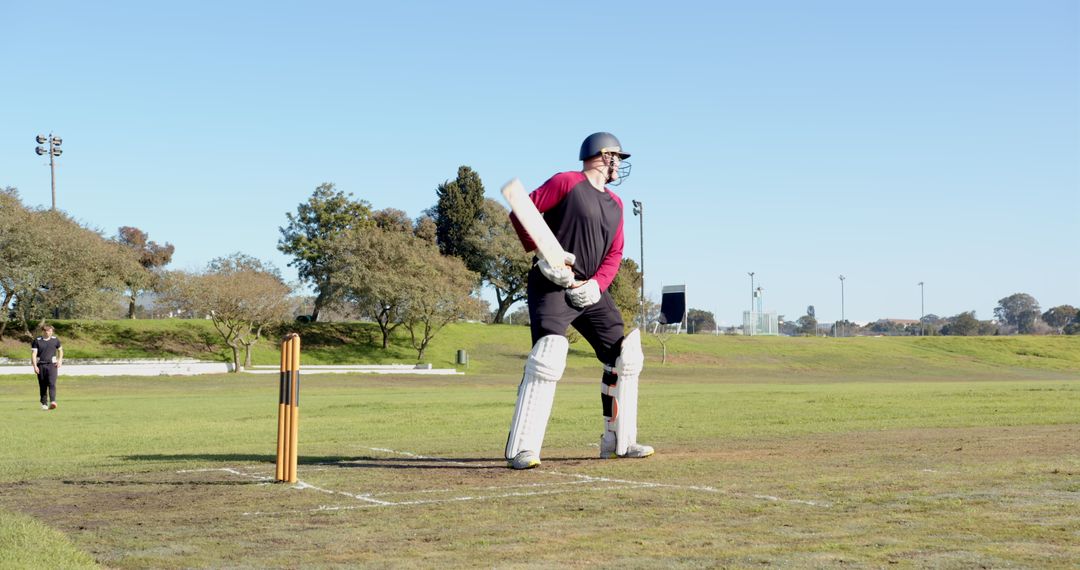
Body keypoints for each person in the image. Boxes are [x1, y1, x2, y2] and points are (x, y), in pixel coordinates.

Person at [504, 132, 654, 470]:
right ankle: (522, 449)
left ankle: (618, 441)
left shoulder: (615, 205)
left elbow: (615, 254)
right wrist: (544, 256)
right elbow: (520, 211)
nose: (620, 164)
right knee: (549, 355)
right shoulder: (566, 182)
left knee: (624, 356)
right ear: (603, 155)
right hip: (552, 284)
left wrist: (598, 285)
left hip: (590, 291)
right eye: (618, 156)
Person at [31, 324, 63, 410]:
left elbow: (60, 351)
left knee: (52, 383)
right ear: (42, 331)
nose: (48, 332)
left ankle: (53, 401)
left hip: (52, 365)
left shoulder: (55, 340)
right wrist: (34, 366)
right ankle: (44, 404)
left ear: (52, 332)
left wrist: (59, 360)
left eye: (49, 331)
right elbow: (34, 354)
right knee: (43, 385)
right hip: (41, 365)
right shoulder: (37, 341)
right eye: (46, 331)